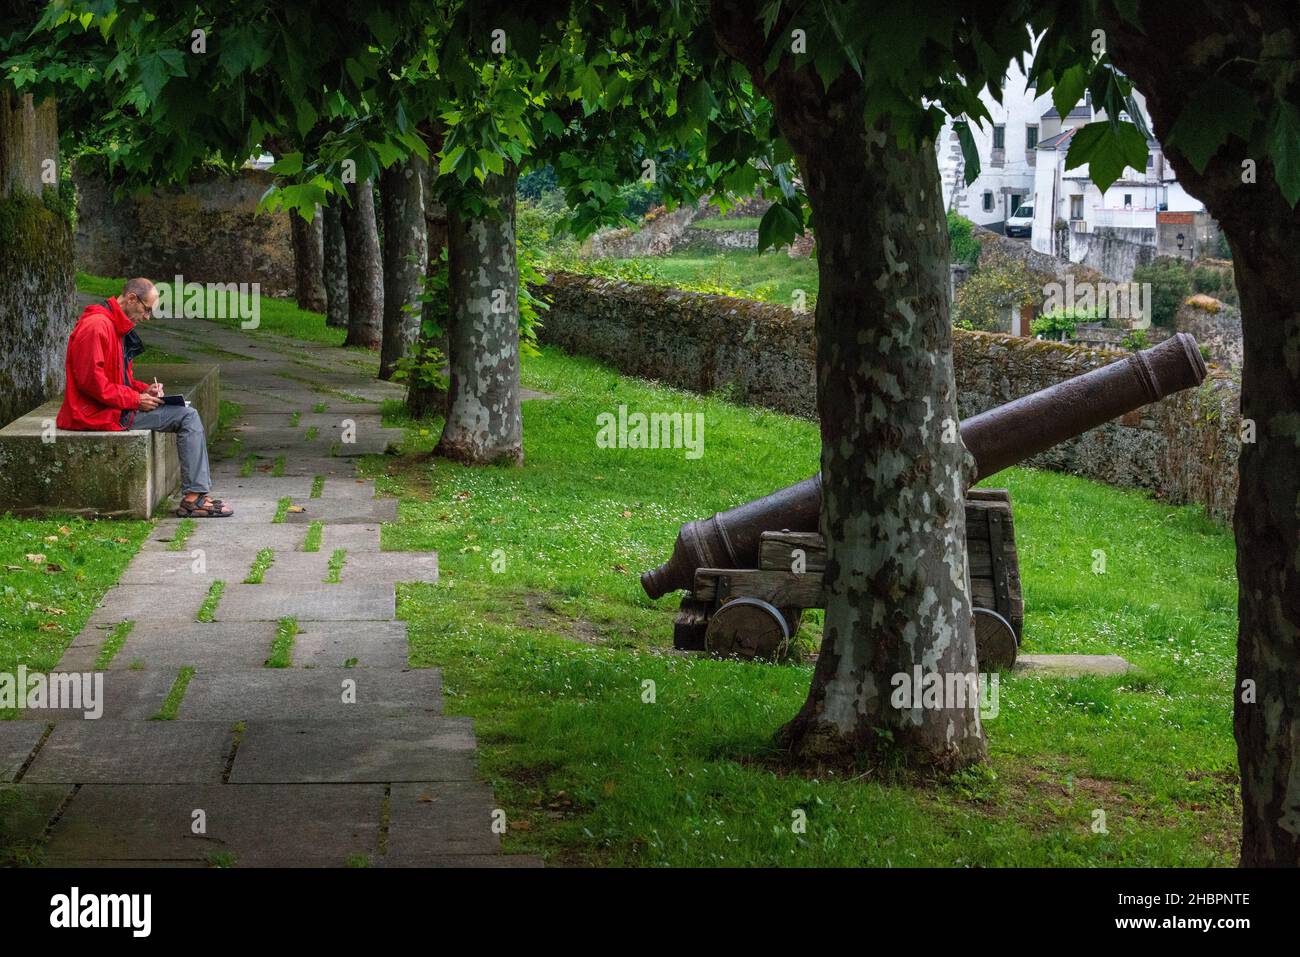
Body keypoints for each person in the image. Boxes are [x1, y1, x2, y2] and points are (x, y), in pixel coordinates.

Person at [56, 278, 235, 517]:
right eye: (147, 309)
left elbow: (118, 379)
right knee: (187, 417)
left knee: (185, 413)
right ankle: (194, 498)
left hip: (108, 409)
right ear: (131, 298)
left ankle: (196, 495)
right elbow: (91, 383)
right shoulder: (97, 326)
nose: (148, 316)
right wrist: (134, 400)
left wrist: (143, 389)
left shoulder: (112, 324)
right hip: (96, 414)